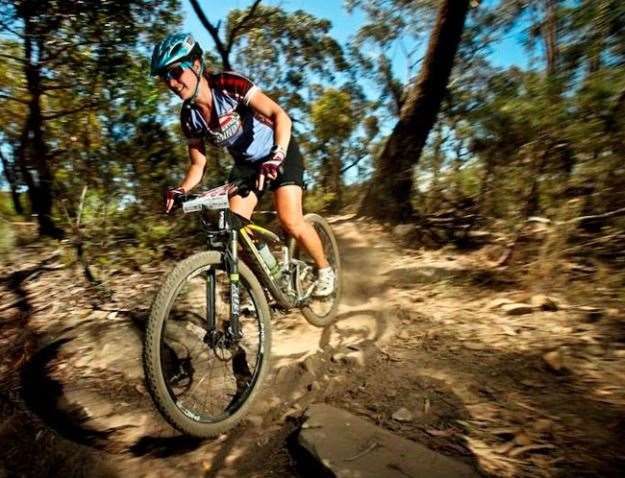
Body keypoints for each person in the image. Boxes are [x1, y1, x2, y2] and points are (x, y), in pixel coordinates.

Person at [151, 33, 335, 297]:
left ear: (196, 65)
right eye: (164, 77)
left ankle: (324, 269)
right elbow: (198, 163)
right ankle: (273, 280)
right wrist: (181, 189)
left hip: (279, 150)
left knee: (291, 220)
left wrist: (277, 155)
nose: (171, 82)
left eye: (175, 72)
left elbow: (279, 115)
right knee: (232, 229)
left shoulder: (228, 84)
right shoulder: (189, 116)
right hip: (247, 165)